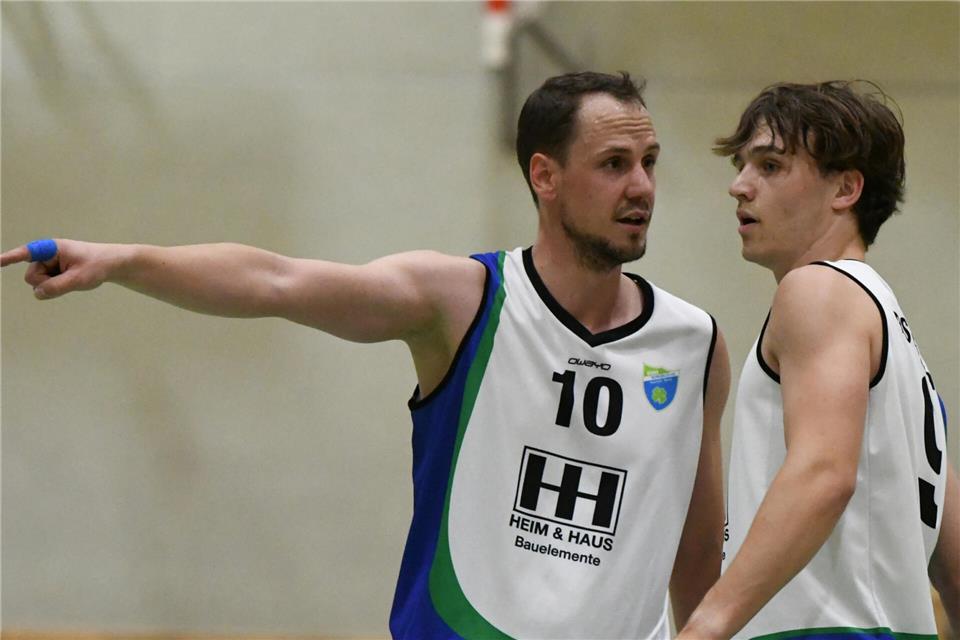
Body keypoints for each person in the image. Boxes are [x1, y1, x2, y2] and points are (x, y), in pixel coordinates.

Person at [2, 71, 729, 639]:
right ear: (545, 176)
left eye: (650, 162)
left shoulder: (694, 342)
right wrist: (125, 259)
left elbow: (696, 552)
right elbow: (276, 281)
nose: (641, 187)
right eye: (614, 163)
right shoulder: (464, 300)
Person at [677, 81, 960, 639]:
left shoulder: (816, 291)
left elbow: (825, 474)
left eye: (771, 165)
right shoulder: (905, 358)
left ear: (845, 188)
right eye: (742, 165)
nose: (739, 186)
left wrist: (704, 627)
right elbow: (954, 562)